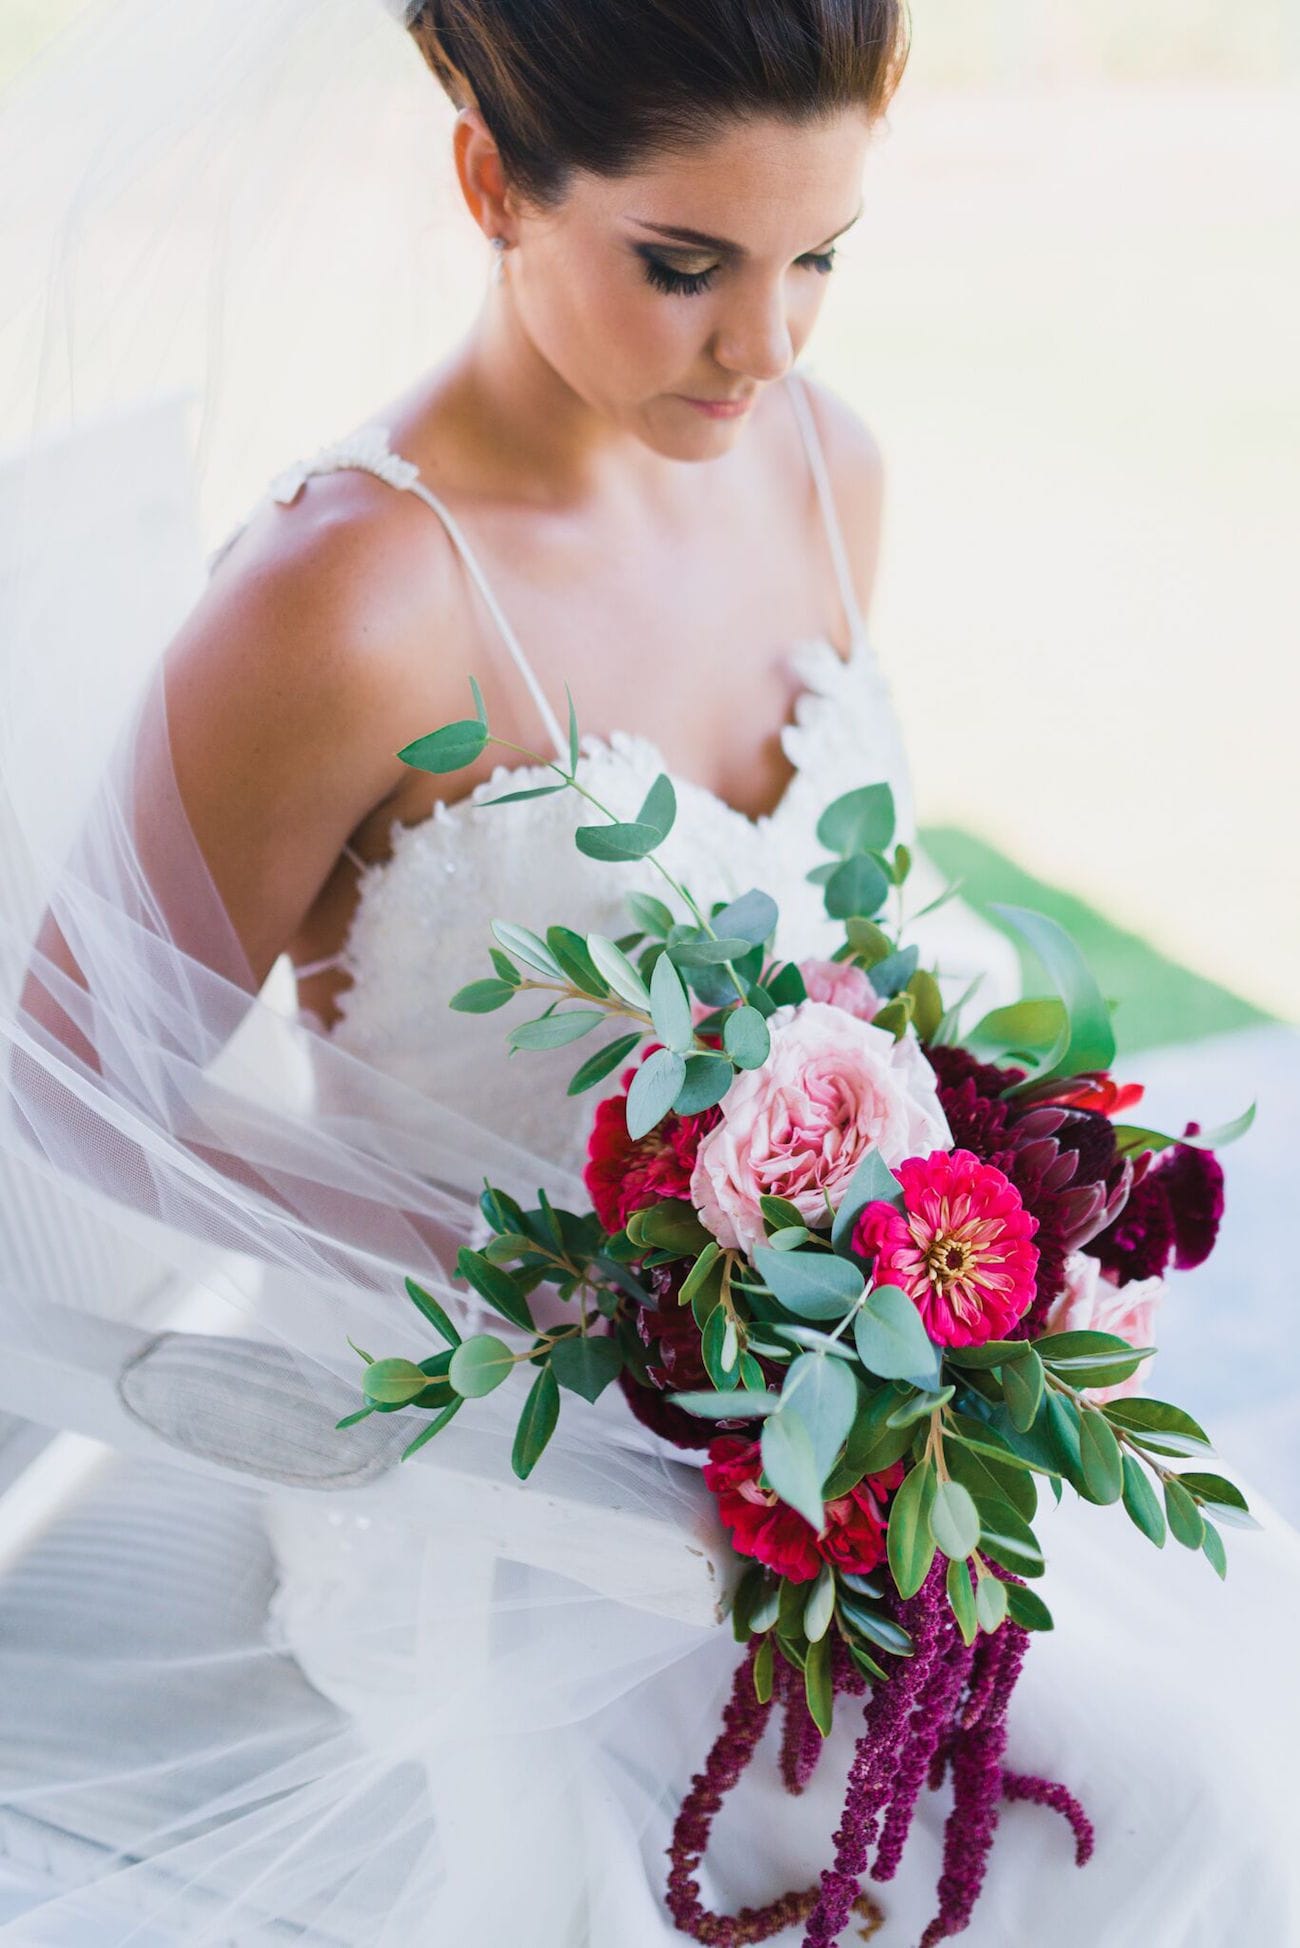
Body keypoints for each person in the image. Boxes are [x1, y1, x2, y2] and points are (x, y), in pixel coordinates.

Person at [2, 3, 1299, 1944]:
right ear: (489, 183)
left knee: (1208, 1776)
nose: (763, 345)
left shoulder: (822, 468)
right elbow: (61, 1088)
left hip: (821, 1399)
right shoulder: (351, 606)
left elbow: (850, 931)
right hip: (487, 1457)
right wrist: (541, 1278)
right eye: (683, 265)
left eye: (816, 261)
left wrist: (951, 1177)